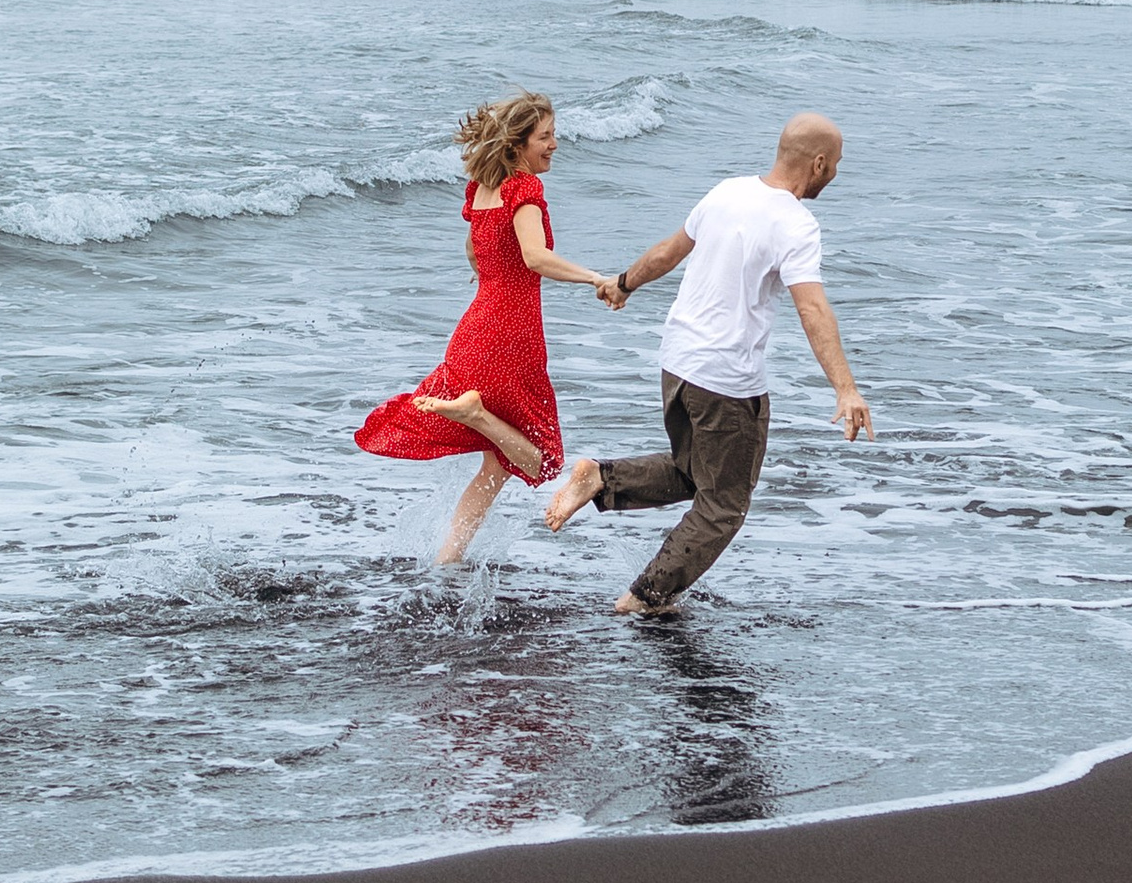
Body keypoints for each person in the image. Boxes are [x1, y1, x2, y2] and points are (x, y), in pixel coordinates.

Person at [547, 112, 872, 612]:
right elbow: (812, 306)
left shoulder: (728, 191)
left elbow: (666, 253)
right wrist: (845, 388)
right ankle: (645, 597)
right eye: (837, 165)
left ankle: (600, 477)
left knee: (693, 472)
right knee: (724, 504)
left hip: (678, 363)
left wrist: (624, 282)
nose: (836, 175)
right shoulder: (796, 223)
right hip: (726, 381)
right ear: (820, 162)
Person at [355, 92, 622, 565]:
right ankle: (476, 415)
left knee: (496, 467)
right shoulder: (525, 191)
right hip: (512, 333)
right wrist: (596, 277)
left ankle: (449, 557)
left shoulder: (481, 189)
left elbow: (475, 254)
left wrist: (494, 280)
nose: (555, 144)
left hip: (476, 326)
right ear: (518, 144)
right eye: (545, 136)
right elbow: (534, 257)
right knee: (540, 459)